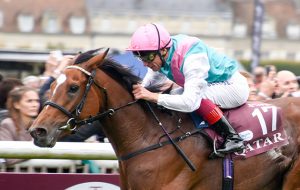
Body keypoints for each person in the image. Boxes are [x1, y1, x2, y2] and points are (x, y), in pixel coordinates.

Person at [127, 23, 249, 154]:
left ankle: (233, 137)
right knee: (171, 94)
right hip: (213, 84)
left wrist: (152, 96)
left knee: (195, 98)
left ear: (163, 50)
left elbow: (190, 103)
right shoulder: (162, 53)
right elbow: (148, 84)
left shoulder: (192, 58)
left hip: (233, 87)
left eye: (148, 57)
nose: (145, 63)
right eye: (140, 58)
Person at [0, 86, 40, 165]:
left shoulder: (41, 125)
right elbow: (9, 157)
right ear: (16, 104)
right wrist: (37, 151)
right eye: (29, 101)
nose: (35, 105)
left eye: (37, 101)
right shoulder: (7, 124)